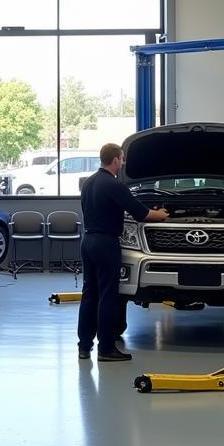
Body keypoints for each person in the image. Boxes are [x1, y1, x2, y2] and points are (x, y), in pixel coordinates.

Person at [78, 142, 169, 363]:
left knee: (89, 294)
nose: (124, 163)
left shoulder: (88, 182)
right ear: (116, 160)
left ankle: (84, 347)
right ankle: (106, 349)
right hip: (106, 243)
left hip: (87, 241)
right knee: (109, 295)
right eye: (122, 158)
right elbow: (141, 213)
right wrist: (161, 214)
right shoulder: (114, 184)